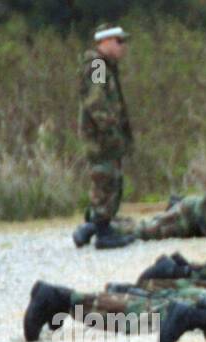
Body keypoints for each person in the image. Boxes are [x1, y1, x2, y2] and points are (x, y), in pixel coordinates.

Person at [73, 24, 135, 250]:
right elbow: (96, 102)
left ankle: (90, 228)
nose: (123, 47)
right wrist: (109, 130)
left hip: (107, 135)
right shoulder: (98, 65)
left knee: (112, 180)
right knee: (105, 180)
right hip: (101, 137)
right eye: (119, 42)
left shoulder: (106, 67)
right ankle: (102, 232)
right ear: (105, 42)